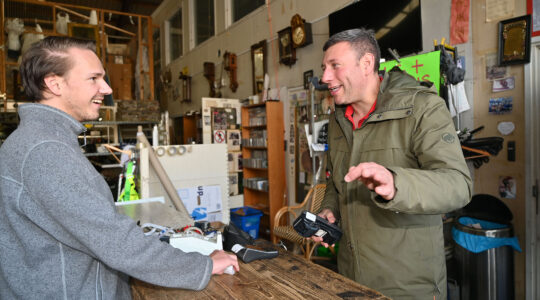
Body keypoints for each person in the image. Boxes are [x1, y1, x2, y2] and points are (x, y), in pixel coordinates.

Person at [0, 36, 238, 299]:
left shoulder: (39, 140)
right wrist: (201, 266)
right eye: (94, 78)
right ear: (54, 83)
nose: (107, 88)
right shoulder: (45, 150)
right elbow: (116, 242)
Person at [313, 29, 472, 299]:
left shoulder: (422, 108)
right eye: (324, 68)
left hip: (407, 285)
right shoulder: (338, 119)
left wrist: (396, 184)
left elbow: (459, 184)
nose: (325, 77)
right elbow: (336, 183)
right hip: (350, 278)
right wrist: (330, 211)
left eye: (335, 66)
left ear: (366, 64)